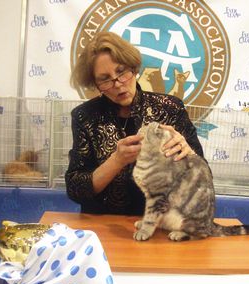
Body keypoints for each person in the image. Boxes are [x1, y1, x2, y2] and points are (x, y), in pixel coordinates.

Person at [65, 31, 204, 215]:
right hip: (103, 225)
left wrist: (189, 155)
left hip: (162, 225)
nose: (118, 84)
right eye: (105, 79)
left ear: (134, 68)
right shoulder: (85, 116)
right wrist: (116, 161)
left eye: (121, 72)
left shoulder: (170, 109)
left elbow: (202, 182)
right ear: (95, 84)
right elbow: (75, 190)